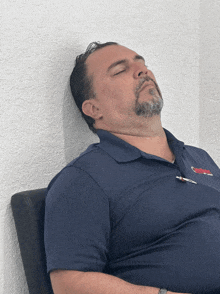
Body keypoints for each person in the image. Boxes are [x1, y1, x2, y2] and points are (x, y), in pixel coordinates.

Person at [44, 41, 220, 294]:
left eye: (143, 64)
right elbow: (70, 283)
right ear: (94, 109)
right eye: (120, 70)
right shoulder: (84, 178)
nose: (142, 71)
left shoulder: (197, 157)